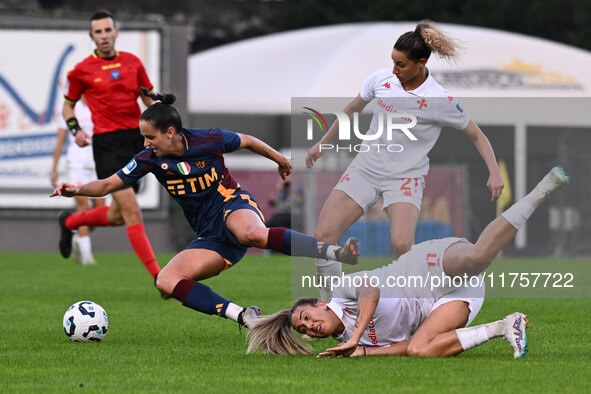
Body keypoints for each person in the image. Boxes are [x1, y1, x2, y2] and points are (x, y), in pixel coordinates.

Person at [51, 91, 360, 329]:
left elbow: (248, 140)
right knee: (166, 281)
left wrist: (279, 159)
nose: (145, 142)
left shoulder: (208, 139)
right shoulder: (148, 158)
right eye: (143, 136)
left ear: (170, 132)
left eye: (150, 136)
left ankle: (334, 252)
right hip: (209, 235)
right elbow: (107, 185)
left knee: (251, 233)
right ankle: (244, 316)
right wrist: (77, 189)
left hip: (232, 205)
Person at [246, 166, 570, 357]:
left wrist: (359, 336)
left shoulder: (339, 293)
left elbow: (370, 289)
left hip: (424, 268)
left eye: (306, 316)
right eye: (305, 329)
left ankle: (542, 190)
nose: (311, 327)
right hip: (444, 302)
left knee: (478, 256)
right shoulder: (346, 343)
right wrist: (363, 352)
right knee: (420, 349)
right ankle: (504, 326)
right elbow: (404, 346)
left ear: (318, 304)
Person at [306, 20, 504, 302]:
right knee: (323, 236)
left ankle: (420, 306)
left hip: (405, 176)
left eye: (401, 64)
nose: (394, 70)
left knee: (402, 245)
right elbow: (351, 109)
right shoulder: (381, 79)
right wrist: (321, 143)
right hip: (365, 168)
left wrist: (494, 171)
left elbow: (476, 135)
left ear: (421, 63)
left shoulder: (440, 100)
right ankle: (330, 307)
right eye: (393, 62)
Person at [58, 11, 162, 284]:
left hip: (135, 141)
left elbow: (149, 100)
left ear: (116, 32)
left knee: (118, 216)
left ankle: (69, 222)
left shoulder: (133, 63)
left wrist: (164, 117)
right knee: (132, 211)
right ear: (92, 37)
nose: (104, 36)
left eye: (108, 30)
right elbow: (68, 104)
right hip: (106, 144)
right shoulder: (82, 70)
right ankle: (159, 277)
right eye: (98, 32)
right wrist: (75, 130)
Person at [50, 96, 105, 265]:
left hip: (97, 164)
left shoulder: (100, 107)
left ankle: (76, 236)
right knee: (83, 208)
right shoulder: (70, 109)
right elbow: (60, 140)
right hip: (77, 163)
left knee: (100, 212)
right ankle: (87, 256)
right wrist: (54, 168)